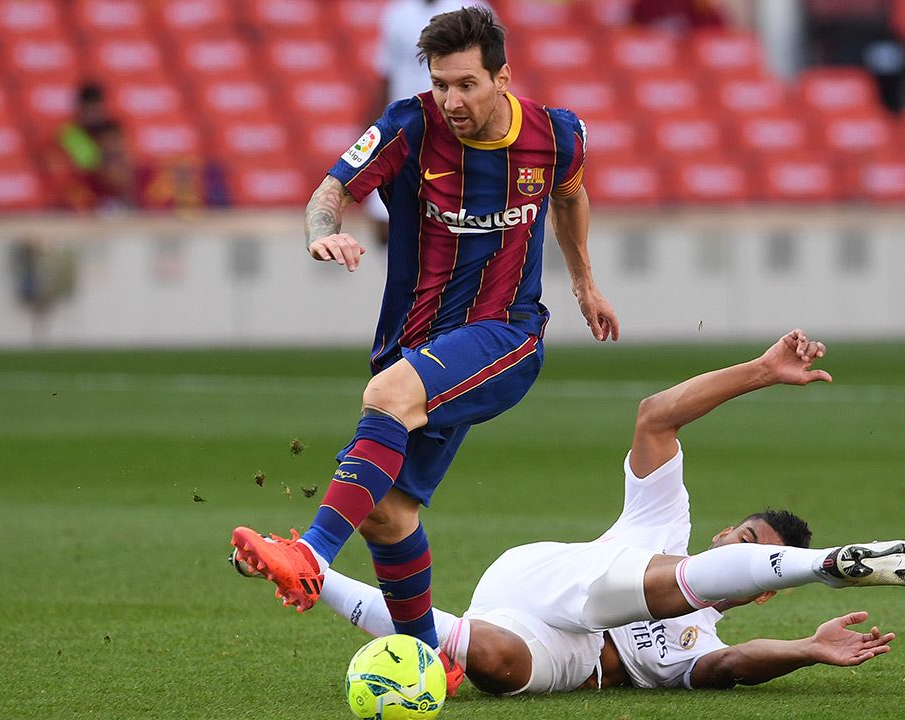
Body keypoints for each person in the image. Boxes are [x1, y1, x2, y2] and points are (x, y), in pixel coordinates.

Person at [230, 6, 619, 692]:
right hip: (415, 340)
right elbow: (331, 190)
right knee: (386, 512)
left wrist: (585, 284)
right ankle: (424, 661)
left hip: (506, 332)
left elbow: (571, 195)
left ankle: (310, 553)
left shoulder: (558, 135)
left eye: (467, 84)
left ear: (503, 78)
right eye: (441, 83)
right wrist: (323, 231)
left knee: (386, 398)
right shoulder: (409, 125)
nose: (452, 100)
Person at [232, 329, 905, 693]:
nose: (735, 549)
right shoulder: (664, 523)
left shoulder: (703, 647)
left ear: (761, 594)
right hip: (549, 577)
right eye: (742, 538)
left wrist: (807, 650)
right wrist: (759, 371)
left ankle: (309, 573)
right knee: (639, 589)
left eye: (750, 558)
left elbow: (735, 666)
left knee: (496, 667)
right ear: (728, 537)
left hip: (555, 646)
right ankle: (828, 566)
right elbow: (656, 417)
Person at [363, 0, 493, 245]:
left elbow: (490, 76)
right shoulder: (397, 13)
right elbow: (387, 76)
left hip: (457, 131)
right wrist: (373, 127)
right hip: (405, 129)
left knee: (458, 221)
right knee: (387, 227)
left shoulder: (473, 9)